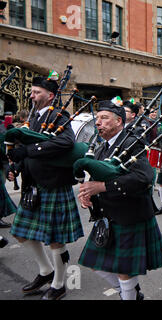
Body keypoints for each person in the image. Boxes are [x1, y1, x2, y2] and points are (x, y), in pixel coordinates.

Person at [77, 99, 162, 300]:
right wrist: (89, 195)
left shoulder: (131, 142)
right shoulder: (101, 148)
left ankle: (129, 295)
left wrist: (103, 187)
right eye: (98, 118)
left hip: (130, 215)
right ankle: (131, 293)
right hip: (108, 216)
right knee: (96, 265)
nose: (98, 122)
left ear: (119, 121)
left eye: (104, 118)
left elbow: (144, 178)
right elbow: (96, 177)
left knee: (124, 270)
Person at [7, 76, 84, 300]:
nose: (31, 95)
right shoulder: (32, 117)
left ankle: (59, 284)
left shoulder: (58, 115)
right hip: (33, 184)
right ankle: (46, 271)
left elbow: (66, 143)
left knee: (54, 239)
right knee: (22, 234)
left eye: (36, 92)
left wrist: (29, 151)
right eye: (30, 92)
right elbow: (27, 146)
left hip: (52, 184)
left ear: (50, 96)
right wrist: (17, 166)